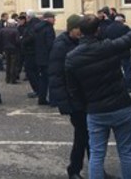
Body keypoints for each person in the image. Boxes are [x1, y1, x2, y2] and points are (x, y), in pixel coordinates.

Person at [65, 5, 131, 179]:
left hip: (96, 110)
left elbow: (73, 90)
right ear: (98, 30)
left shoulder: (72, 57)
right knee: (127, 153)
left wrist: (86, 106)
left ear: (80, 32)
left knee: (97, 154)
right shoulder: (108, 47)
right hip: (121, 106)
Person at [48, 14, 86, 179]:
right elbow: (56, 76)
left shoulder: (80, 42)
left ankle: (96, 169)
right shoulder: (61, 45)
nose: (82, 32)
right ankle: (74, 170)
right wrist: (64, 103)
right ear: (72, 28)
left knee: (90, 136)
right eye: (79, 29)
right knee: (82, 136)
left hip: (86, 96)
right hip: (74, 100)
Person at [104, 14, 131, 92]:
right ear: (122, 20)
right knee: (127, 70)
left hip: (113, 52)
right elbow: (130, 39)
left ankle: (115, 86)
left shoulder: (108, 28)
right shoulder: (125, 28)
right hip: (124, 52)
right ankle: (129, 86)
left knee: (114, 70)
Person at [34, 11, 56, 105]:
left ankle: (41, 98)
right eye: (53, 18)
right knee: (51, 79)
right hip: (48, 58)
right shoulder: (49, 28)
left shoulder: (38, 28)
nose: (55, 20)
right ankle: (53, 100)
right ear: (48, 18)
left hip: (39, 57)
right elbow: (50, 44)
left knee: (43, 79)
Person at [21, 10, 40, 98]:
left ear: (28, 17)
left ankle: (37, 90)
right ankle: (38, 89)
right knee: (35, 72)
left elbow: (31, 37)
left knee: (31, 72)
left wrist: (23, 40)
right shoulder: (37, 24)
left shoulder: (32, 26)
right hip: (34, 52)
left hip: (30, 52)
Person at [0, 19, 21, 84]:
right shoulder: (15, 31)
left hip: (5, 49)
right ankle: (13, 79)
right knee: (13, 64)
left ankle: (7, 79)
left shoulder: (2, 30)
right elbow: (18, 41)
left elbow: (0, 39)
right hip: (14, 49)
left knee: (8, 64)